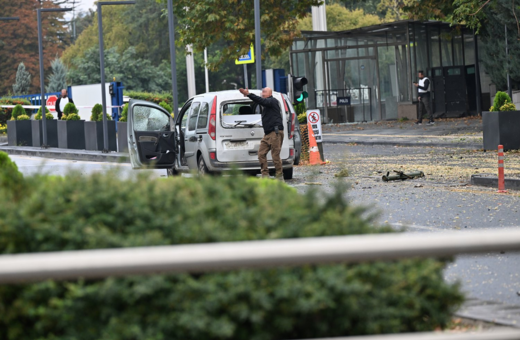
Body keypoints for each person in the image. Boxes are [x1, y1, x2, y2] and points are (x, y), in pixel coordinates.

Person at [238, 87, 284, 180]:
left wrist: (249, 94)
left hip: (275, 132)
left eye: (264, 91)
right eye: (262, 91)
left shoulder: (272, 101)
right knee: (261, 154)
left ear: (270, 94)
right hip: (267, 134)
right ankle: (265, 175)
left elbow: (261, 101)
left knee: (275, 155)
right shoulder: (266, 104)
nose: (262, 93)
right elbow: (260, 101)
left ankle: (279, 176)